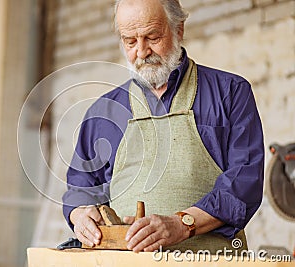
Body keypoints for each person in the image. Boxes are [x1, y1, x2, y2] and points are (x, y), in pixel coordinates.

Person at [62, 0, 264, 253]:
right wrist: (80, 214)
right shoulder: (103, 112)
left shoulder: (231, 93)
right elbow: (82, 187)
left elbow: (244, 185)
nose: (142, 51)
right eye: (130, 41)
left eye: (153, 37)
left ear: (178, 29)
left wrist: (182, 224)